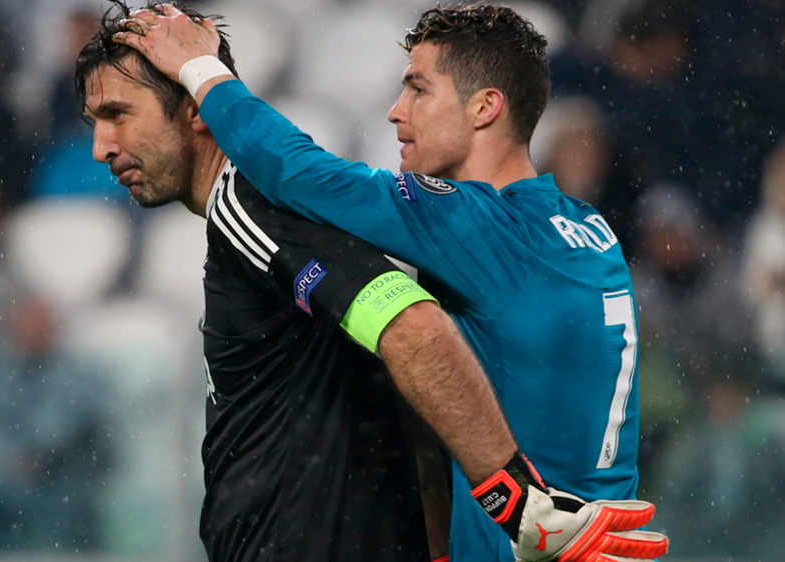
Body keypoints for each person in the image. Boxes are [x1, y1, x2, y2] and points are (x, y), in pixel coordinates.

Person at [90, 3, 666, 562]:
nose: (395, 111)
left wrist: (202, 71)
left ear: (485, 108)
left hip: (536, 546)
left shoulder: (473, 224)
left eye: (418, 88)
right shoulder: (590, 231)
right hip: (607, 540)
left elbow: (299, 172)